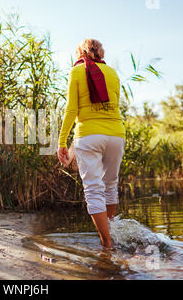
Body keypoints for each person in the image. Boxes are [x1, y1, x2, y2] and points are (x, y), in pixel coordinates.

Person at [57, 39, 126, 250]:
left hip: (89, 135)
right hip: (116, 134)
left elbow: (71, 109)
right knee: (110, 185)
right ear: (101, 53)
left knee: (94, 190)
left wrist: (62, 142)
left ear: (80, 53)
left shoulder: (76, 72)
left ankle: (107, 244)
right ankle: (109, 234)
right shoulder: (113, 73)